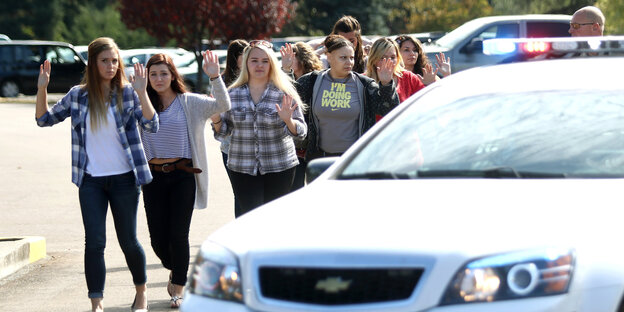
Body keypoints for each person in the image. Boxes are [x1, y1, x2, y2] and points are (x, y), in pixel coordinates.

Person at [35, 37, 156, 312]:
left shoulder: (127, 93)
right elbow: (44, 119)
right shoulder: (77, 95)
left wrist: (142, 92)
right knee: (95, 242)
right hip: (91, 181)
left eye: (115, 61)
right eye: (105, 61)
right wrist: (41, 89)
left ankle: (141, 292)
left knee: (128, 240)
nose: (111, 66)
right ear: (92, 63)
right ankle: (96, 303)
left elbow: (152, 125)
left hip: (125, 179)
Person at [140, 51, 231, 308]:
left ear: (173, 75)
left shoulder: (188, 102)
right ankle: (176, 268)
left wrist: (214, 76)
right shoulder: (141, 103)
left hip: (183, 175)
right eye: (153, 74)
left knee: (179, 234)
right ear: (147, 77)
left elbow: (222, 105)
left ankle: (179, 287)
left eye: (164, 73)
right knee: (158, 239)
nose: (158, 79)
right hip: (152, 177)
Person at [211, 40, 307, 217]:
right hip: (242, 167)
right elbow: (223, 132)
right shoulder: (232, 94)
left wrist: (288, 121)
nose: (259, 65)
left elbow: (301, 132)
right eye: (254, 60)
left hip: (280, 166)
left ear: (272, 64)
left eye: (265, 61)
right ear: (245, 63)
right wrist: (216, 119)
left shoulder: (284, 92)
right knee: (251, 216)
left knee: (273, 218)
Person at [296, 35, 400, 161]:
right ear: (329, 56)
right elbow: (287, 95)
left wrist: (386, 84)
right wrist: (287, 70)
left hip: (354, 160)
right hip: (320, 158)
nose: (349, 62)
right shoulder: (311, 81)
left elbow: (388, 110)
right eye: (343, 58)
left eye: (351, 58)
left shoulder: (364, 84)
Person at [280, 41, 324, 191]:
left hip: (315, 144)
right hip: (294, 145)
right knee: (294, 190)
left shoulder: (316, 79)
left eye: (291, 56)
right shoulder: (283, 78)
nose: (287, 60)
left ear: (302, 58)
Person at [219, 39, 249, 217]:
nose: (247, 59)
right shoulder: (222, 81)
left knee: (249, 193)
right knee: (239, 193)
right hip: (230, 146)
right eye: (243, 56)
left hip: (250, 145)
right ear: (234, 58)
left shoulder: (253, 76)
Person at [366, 37, 425, 103]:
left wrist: (430, 83)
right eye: (383, 58)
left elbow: (426, 103)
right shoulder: (363, 81)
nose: (389, 61)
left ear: (398, 58)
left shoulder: (409, 77)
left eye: (392, 57)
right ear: (374, 59)